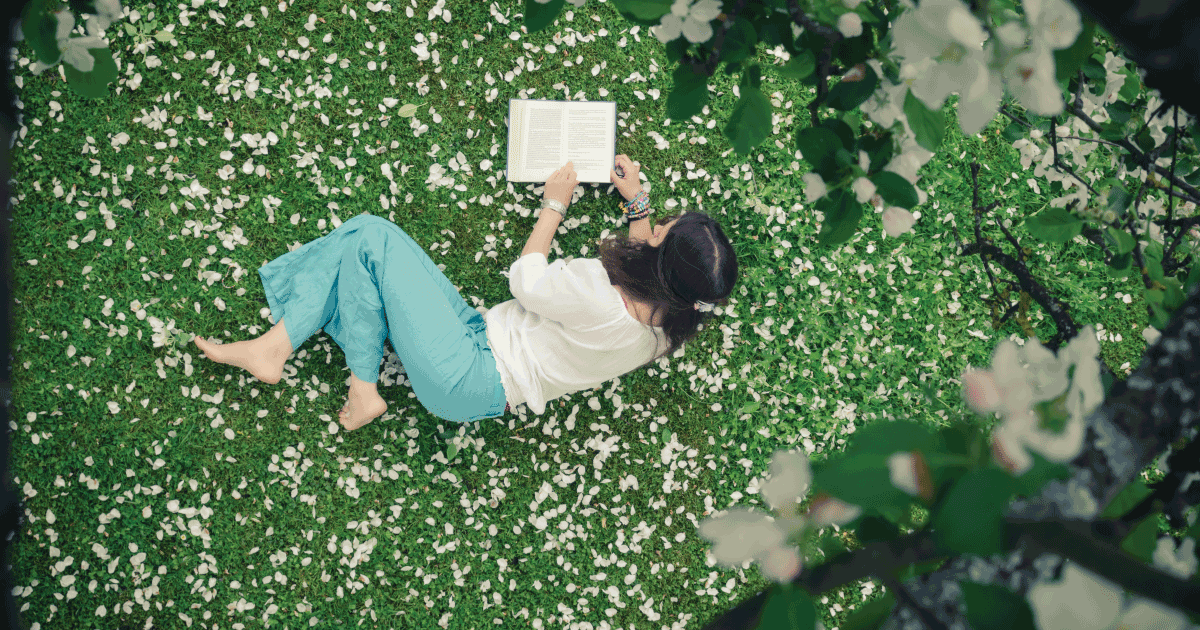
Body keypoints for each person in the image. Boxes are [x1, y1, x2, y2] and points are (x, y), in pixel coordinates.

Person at [193, 154, 739, 430]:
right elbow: (650, 277)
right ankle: (275, 348)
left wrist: (555, 204)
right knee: (363, 259)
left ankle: (363, 389)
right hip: (481, 364)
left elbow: (526, 281)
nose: (659, 221)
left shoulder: (599, 293)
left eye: (663, 226)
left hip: (468, 369)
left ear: (660, 259)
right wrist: (637, 205)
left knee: (371, 236)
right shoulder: (667, 327)